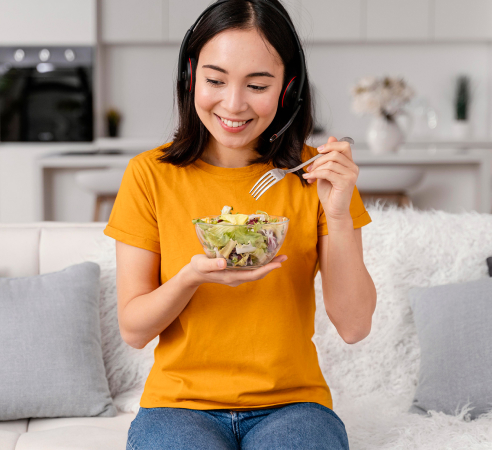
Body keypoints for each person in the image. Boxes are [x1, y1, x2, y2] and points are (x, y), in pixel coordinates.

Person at [103, 0, 377, 448]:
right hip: (179, 407)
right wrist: (192, 276)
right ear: (191, 76)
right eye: (214, 80)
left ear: (287, 89)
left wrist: (340, 216)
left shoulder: (318, 176)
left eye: (257, 85)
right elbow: (134, 330)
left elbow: (354, 327)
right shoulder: (149, 175)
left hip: (294, 406)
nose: (233, 104)